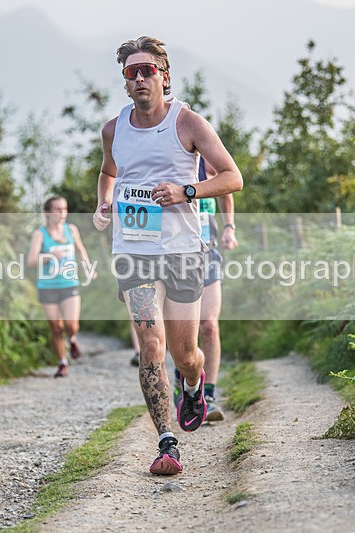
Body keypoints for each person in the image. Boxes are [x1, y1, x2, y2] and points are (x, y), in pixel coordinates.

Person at [93, 36, 243, 476]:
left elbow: (233, 177)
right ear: (124, 82)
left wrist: (185, 191)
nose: (139, 78)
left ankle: (194, 384)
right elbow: (108, 172)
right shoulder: (113, 129)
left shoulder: (188, 123)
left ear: (164, 76)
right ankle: (166, 442)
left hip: (182, 251)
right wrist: (103, 202)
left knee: (185, 352)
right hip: (134, 250)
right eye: (131, 72)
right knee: (151, 344)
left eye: (147, 70)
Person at [173, 158, 238, 422]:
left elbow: (228, 186)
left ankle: (207, 394)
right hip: (175, 257)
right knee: (179, 329)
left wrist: (229, 227)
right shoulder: (165, 164)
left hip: (208, 253)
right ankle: (185, 384)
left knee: (209, 325)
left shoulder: (207, 165)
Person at [27, 196, 94, 378]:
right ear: (48, 212)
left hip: (69, 284)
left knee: (71, 325)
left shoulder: (71, 230)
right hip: (47, 286)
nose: (62, 213)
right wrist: (49, 255)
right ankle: (62, 363)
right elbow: (31, 261)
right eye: (57, 209)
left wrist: (88, 268)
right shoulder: (40, 234)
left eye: (64, 209)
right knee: (56, 327)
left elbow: (81, 251)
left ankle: (72, 339)